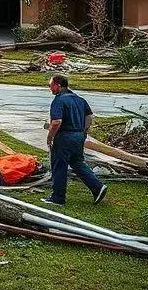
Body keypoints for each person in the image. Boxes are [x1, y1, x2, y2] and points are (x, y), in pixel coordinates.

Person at [43, 74, 106, 206]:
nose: (50, 88)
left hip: (64, 137)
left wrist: (50, 137)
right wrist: (82, 131)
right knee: (77, 162)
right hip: (78, 136)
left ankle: (58, 198)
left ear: (58, 85)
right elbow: (89, 117)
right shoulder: (79, 99)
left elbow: (56, 122)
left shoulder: (59, 100)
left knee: (59, 166)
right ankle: (98, 187)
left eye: (50, 85)